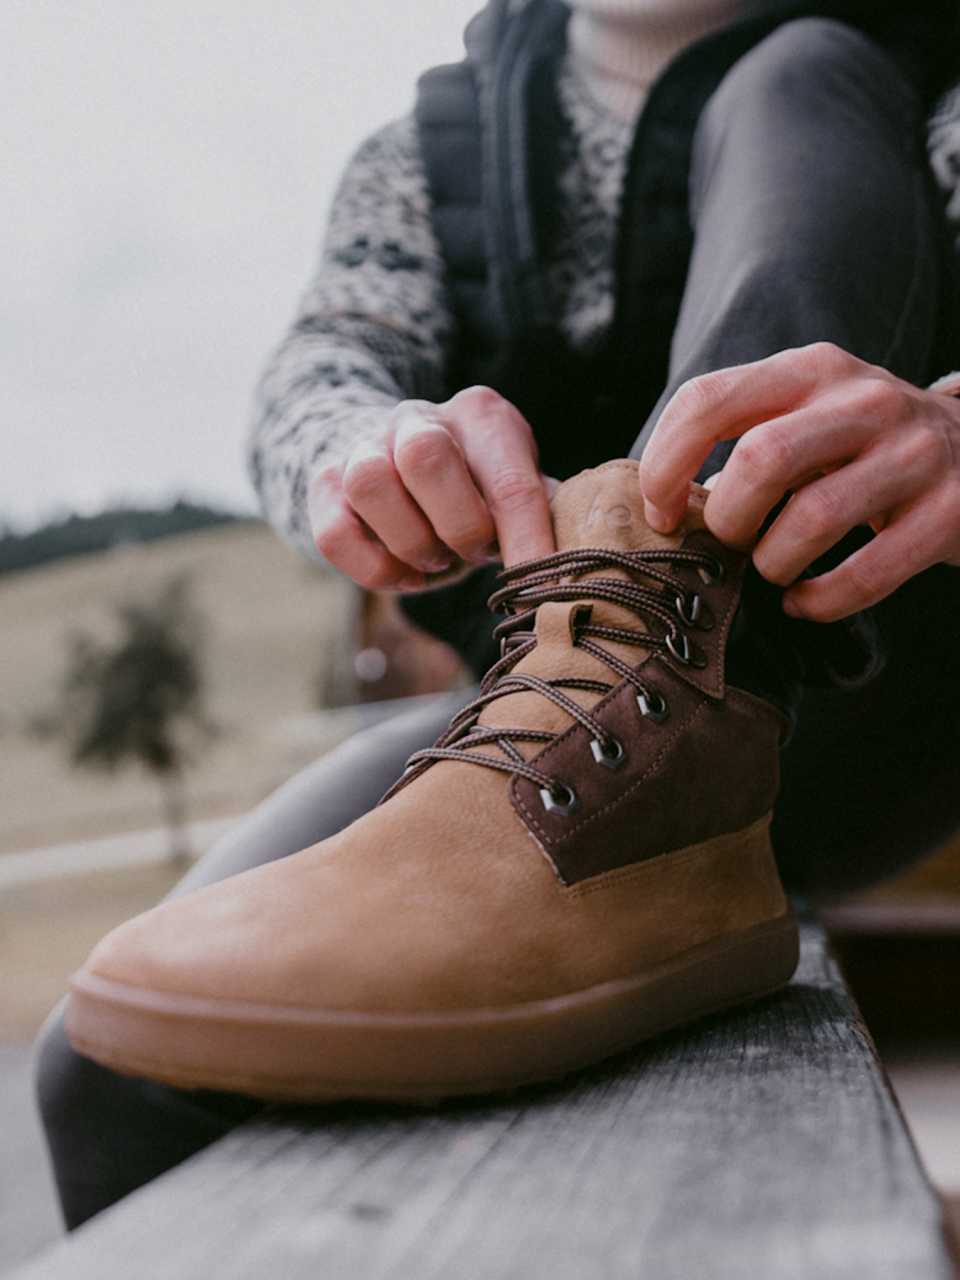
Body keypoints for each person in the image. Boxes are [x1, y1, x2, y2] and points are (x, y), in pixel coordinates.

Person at [36, 0, 960, 1230]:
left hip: (891, 708)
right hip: (543, 767)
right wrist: (360, 450)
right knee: (117, 1043)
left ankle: (689, 719)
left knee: (795, 75)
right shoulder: (427, 153)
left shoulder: (920, 66)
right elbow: (321, 366)